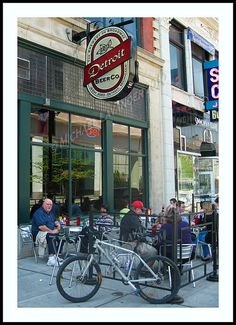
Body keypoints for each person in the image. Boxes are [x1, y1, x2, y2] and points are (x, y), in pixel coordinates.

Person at [31, 198, 64, 266]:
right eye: (47, 204)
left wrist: (58, 226)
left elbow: (55, 221)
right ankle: (51, 259)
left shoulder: (50, 213)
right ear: (43, 205)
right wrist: (52, 231)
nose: (49, 206)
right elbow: (41, 227)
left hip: (48, 231)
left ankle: (55, 255)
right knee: (52, 236)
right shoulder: (39, 212)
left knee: (62, 236)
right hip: (38, 233)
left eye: (51, 205)